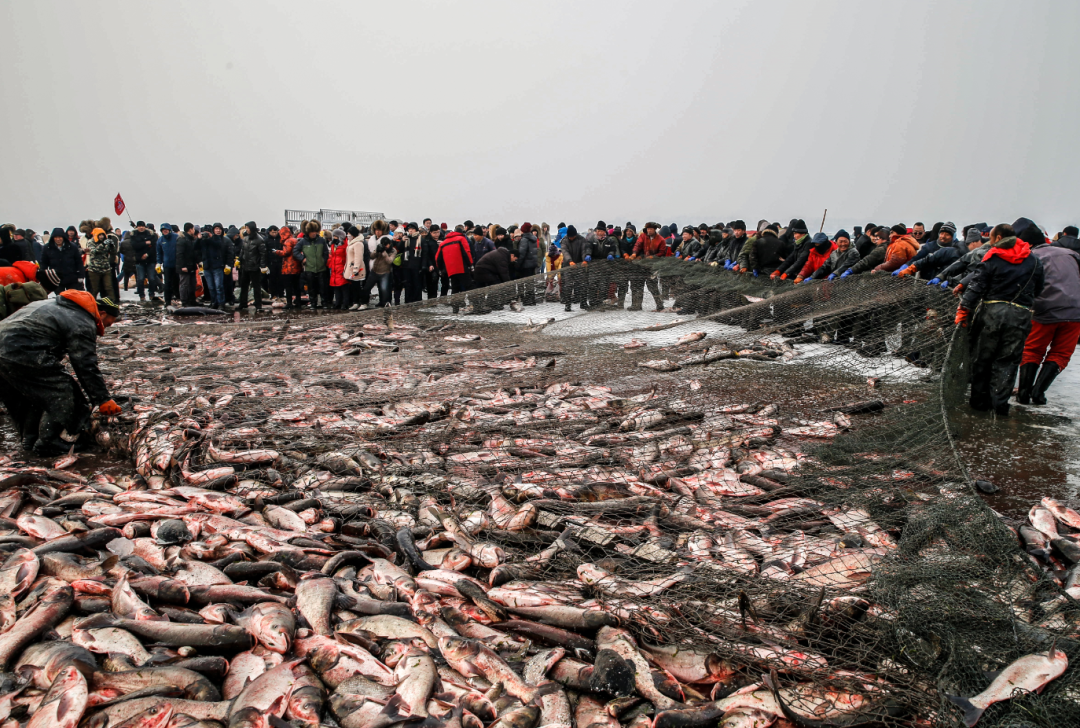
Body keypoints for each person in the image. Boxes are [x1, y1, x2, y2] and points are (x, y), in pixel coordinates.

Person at [0, 292, 121, 455]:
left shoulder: (51, 305)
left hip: (5, 348)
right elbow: (84, 364)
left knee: (28, 397)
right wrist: (102, 399)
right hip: (21, 350)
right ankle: (49, 443)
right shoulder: (82, 320)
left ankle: (29, 440)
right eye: (108, 323)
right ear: (103, 313)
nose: (105, 329)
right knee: (64, 392)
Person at [955, 223, 1044, 416]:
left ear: (997, 238)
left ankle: (979, 405)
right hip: (1020, 315)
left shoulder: (992, 257)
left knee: (982, 360)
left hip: (992, 314)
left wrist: (964, 308)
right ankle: (1000, 406)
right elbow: (1039, 289)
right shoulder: (1035, 261)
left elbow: (977, 285)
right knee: (1008, 361)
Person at [1016, 232, 1080, 405]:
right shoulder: (1071, 254)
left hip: (1044, 311)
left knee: (1033, 350)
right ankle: (1038, 392)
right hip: (1075, 312)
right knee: (1061, 353)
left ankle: (1023, 392)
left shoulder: (1032, 256)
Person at [895, 222, 960, 280]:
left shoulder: (955, 250)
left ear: (953, 237)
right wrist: (906, 265)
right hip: (925, 280)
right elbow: (917, 258)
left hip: (943, 282)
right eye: (942, 233)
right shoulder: (929, 246)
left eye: (947, 235)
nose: (943, 236)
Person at [435, 227, 474, 312]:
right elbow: (466, 252)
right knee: (470, 286)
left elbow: (438, 258)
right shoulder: (461, 239)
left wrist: (441, 269)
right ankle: (474, 305)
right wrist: (470, 264)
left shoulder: (443, 243)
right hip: (462, 267)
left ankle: (455, 309)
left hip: (451, 269)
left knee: (454, 288)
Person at [294, 220, 330, 308]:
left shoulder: (321, 240)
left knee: (323, 287)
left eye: (315, 231)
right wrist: (302, 259)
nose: (314, 233)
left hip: (321, 268)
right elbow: (295, 251)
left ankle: (324, 303)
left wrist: (323, 260)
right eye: (312, 232)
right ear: (308, 232)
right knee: (311, 287)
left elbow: (326, 252)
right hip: (309, 268)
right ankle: (313, 303)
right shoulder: (303, 242)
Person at [39, 228, 85, 293]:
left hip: (72, 277)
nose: (58, 239)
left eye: (60, 237)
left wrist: (81, 275)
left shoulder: (72, 246)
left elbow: (79, 262)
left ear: (63, 237)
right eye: (56, 237)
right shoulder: (47, 248)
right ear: (53, 238)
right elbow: (44, 263)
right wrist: (43, 277)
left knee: (74, 297)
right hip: (56, 278)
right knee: (60, 298)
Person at [472, 247, 517, 312]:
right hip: (484, 271)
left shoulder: (502, 254)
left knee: (482, 288)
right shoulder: (503, 257)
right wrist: (508, 284)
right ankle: (492, 304)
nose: (514, 261)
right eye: (515, 259)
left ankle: (481, 305)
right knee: (495, 286)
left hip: (480, 270)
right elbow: (503, 273)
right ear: (512, 255)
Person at [236, 222, 267, 311]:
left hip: (254, 266)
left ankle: (258, 305)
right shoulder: (245, 238)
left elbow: (263, 254)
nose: (247, 230)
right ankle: (242, 303)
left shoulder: (259, 240)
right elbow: (243, 250)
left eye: (248, 228)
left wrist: (262, 266)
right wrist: (239, 259)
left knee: (256, 286)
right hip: (245, 266)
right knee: (244, 286)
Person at [560, 225, 592, 311]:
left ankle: (583, 303)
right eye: (570, 236)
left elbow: (583, 250)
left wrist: (584, 260)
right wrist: (570, 261)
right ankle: (567, 305)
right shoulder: (564, 241)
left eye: (573, 236)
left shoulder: (581, 239)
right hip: (568, 266)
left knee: (583, 284)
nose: (571, 238)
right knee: (568, 285)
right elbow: (565, 251)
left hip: (579, 265)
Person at [129, 221, 160, 301]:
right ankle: (141, 295)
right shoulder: (134, 235)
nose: (141, 227)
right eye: (139, 226)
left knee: (152, 278)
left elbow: (153, 246)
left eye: (142, 226)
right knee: (140, 279)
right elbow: (134, 246)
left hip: (150, 259)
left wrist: (147, 254)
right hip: (139, 260)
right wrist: (145, 243)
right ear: (137, 227)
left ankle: (151, 294)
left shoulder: (151, 234)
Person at [85, 228, 118, 302]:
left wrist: (112, 246)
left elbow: (114, 253)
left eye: (102, 235)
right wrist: (103, 244)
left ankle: (113, 302)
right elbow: (94, 251)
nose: (101, 237)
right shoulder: (90, 242)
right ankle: (91, 303)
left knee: (109, 287)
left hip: (106, 268)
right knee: (95, 289)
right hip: (94, 269)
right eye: (99, 235)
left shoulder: (106, 242)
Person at [175, 223, 201, 308]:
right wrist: (182, 266)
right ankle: (184, 301)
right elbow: (180, 254)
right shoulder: (182, 239)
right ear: (190, 229)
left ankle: (192, 300)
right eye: (193, 229)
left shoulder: (190, 239)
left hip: (191, 265)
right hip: (185, 266)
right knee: (184, 284)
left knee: (192, 284)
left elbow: (193, 252)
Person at [277, 224, 303, 310]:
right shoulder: (295, 240)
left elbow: (286, 252)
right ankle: (298, 302)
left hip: (288, 267)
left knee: (288, 286)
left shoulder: (287, 241)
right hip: (297, 267)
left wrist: (276, 252)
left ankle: (289, 303)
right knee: (297, 286)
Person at [344, 225, 369, 310]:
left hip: (357, 269)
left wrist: (356, 268)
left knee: (359, 287)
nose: (347, 235)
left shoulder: (358, 243)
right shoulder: (351, 243)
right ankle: (356, 302)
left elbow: (358, 257)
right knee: (354, 287)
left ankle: (363, 302)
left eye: (349, 233)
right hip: (351, 268)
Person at [400, 222, 426, 304]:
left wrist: (423, 265)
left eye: (412, 229)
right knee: (407, 284)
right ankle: (408, 301)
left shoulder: (420, 239)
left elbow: (425, 254)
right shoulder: (406, 238)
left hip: (417, 265)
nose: (410, 231)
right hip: (406, 265)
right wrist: (401, 241)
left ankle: (417, 301)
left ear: (416, 230)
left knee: (417, 284)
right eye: (409, 229)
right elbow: (400, 249)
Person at [515, 223, 539, 305]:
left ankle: (528, 300)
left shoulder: (524, 239)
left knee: (526, 282)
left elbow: (522, 253)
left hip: (525, 264)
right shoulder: (534, 238)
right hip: (532, 263)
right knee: (530, 282)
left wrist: (518, 264)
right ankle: (532, 299)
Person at [156, 223, 179, 305]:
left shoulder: (176, 237)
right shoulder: (160, 240)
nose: (165, 231)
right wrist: (159, 263)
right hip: (167, 265)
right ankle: (167, 301)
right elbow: (159, 253)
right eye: (163, 230)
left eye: (166, 230)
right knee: (167, 284)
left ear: (169, 230)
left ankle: (179, 298)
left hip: (177, 264)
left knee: (177, 282)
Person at [328, 227, 350, 310]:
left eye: (336, 236)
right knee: (336, 287)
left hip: (341, 267)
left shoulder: (345, 245)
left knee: (344, 287)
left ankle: (345, 303)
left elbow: (347, 257)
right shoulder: (334, 244)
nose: (334, 238)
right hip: (334, 267)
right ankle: (337, 303)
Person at [420, 225, 441, 300]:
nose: (437, 234)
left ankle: (441, 298)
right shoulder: (427, 241)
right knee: (431, 282)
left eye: (438, 232)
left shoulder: (442, 239)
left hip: (441, 264)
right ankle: (432, 299)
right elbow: (426, 254)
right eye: (435, 233)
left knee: (443, 283)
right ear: (431, 233)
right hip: (432, 264)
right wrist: (429, 264)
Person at [265, 226, 284, 300]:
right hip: (271, 262)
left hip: (280, 261)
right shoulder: (266, 240)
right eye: (273, 232)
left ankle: (281, 293)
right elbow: (265, 252)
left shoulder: (280, 239)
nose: (274, 234)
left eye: (276, 232)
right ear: (269, 232)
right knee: (272, 279)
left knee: (281, 279)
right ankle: (273, 294)